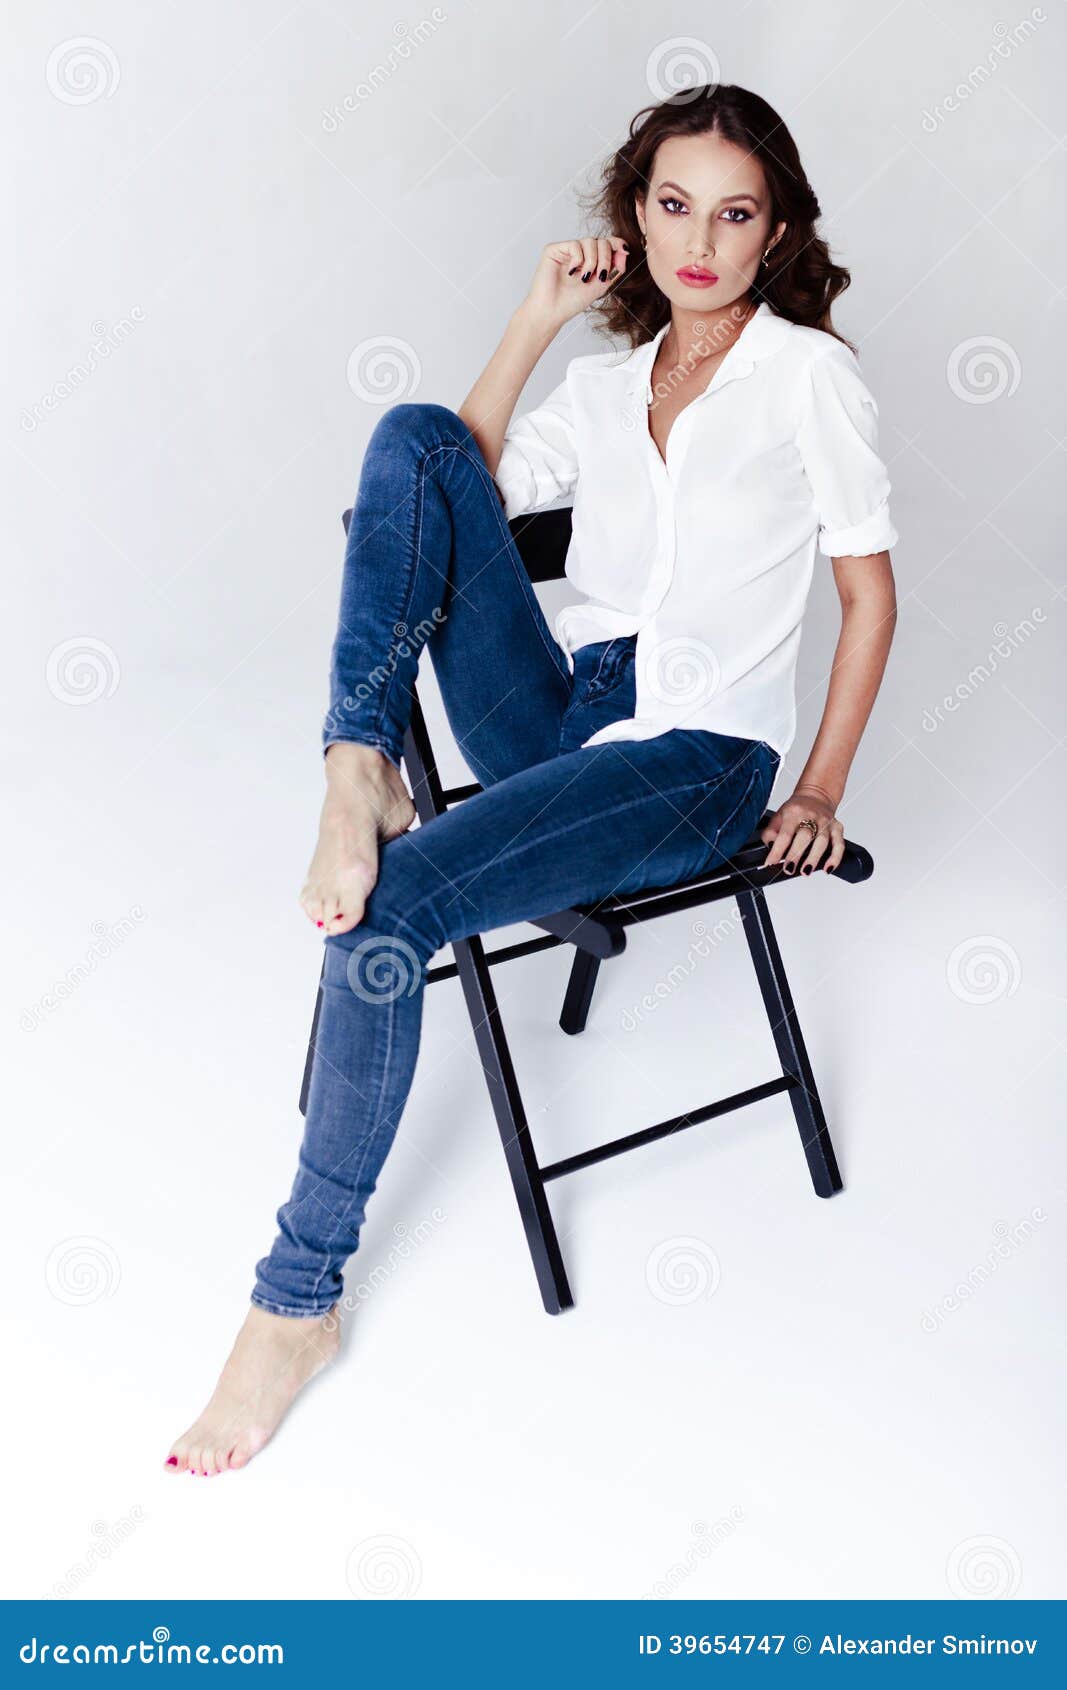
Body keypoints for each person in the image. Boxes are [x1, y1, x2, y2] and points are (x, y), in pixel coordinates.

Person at [166, 84, 898, 1475]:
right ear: (636, 214)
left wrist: (818, 787)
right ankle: (357, 762)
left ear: (775, 229)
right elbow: (458, 484)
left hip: (696, 755)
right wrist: (538, 319)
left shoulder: (810, 375)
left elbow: (869, 599)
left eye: (735, 214)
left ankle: (293, 1299)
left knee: (385, 913)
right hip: (563, 709)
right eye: (673, 205)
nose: (701, 239)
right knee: (416, 435)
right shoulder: (610, 385)